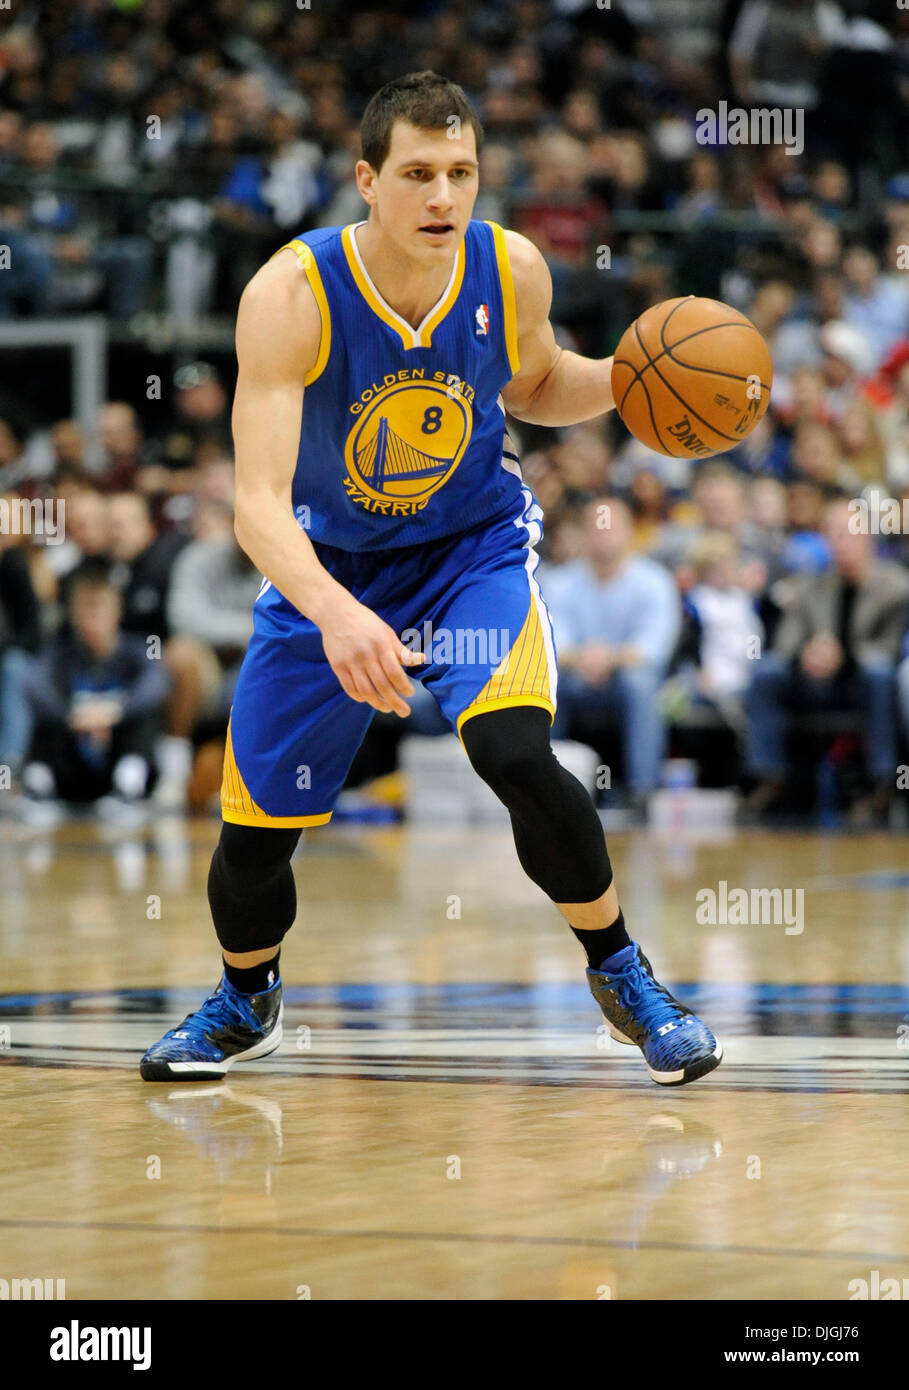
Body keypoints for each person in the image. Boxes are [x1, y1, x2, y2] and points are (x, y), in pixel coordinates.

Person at [140, 72, 722, 1088]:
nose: (443, 197)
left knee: (512, 747)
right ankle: (247, 997)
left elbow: (535, 383)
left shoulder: (511, 266)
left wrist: (639, 377)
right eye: (417, 174)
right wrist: (337, 614)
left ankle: (624, 974)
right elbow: (257, 509)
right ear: (367, 180)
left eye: (461, 172)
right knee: (253, 835)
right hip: (329, 567)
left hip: (471, 552)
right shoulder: (290, 293)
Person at [744, 498, 909, 823]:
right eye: (832, 533)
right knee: (767, 671)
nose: (839, 541)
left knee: (879, 672)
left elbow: (891, 648)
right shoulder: (811, 585)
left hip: (863, 684)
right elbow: (786, 642)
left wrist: (844, 657)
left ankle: (880, 784)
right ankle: (769, 778)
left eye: (847, 532)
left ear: (868, 537)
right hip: (814, 681)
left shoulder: (896, 587)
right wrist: (805, 654)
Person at [547, 496, 680, 804]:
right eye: (595, 528)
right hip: (574, 677)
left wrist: (608, 658)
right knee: (545, 682)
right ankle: (548, 790)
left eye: (611, 527)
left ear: (631, 533)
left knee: (641, 682)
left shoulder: (655, 581)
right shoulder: (557, 582)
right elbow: (550, 643)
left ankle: (642, 793)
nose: (602, 534)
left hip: (627, 678)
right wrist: (583, 658)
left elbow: (654, 648)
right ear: (581, 535)